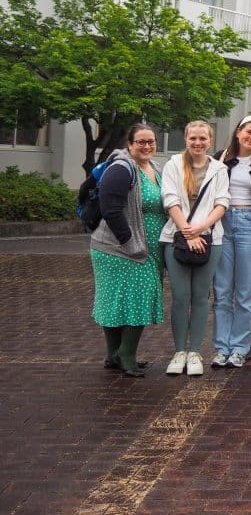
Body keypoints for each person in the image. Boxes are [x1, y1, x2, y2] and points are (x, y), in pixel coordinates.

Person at [90, 123, 164, 377]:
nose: (147, 146)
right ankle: (126, 354)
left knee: (119, 301)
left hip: (141, 249)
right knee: (137, 298)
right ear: (129, 144)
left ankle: (114, 355)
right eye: (141, 142)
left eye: (151, 141)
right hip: (119, 249)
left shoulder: (153, 168)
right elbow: (110, 209)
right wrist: (130, 244)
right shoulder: (122, 168)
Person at [159, 121, 229, 377]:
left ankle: (195, 351)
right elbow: (170, 200)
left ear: (210, 140)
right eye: (193, 138)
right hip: (175, 238)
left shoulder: (219, 168)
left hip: (210, 239)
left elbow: (222, 203)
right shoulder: (173, 165)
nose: (198, 143)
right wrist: (187, 232)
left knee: (200, 297)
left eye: (203, 138)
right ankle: (179, 351)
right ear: (186, 139)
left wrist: (199, 229)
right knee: (180, 297)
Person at [211, 115, 251, 368]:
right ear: (238, 132)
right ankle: (221, 347)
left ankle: (239, 348)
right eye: (249, 132)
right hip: (222, 221)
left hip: (250, 224)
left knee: (246, 292)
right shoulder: (220, 158)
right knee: (222, 290)